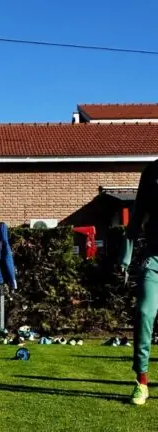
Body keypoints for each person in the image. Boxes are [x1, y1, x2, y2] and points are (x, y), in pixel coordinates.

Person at [120, 159, 158, 406]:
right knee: (145, 313)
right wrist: (126, 258)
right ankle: (141, 382)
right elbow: (136, 219)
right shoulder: (152, 173)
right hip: (154, 259)